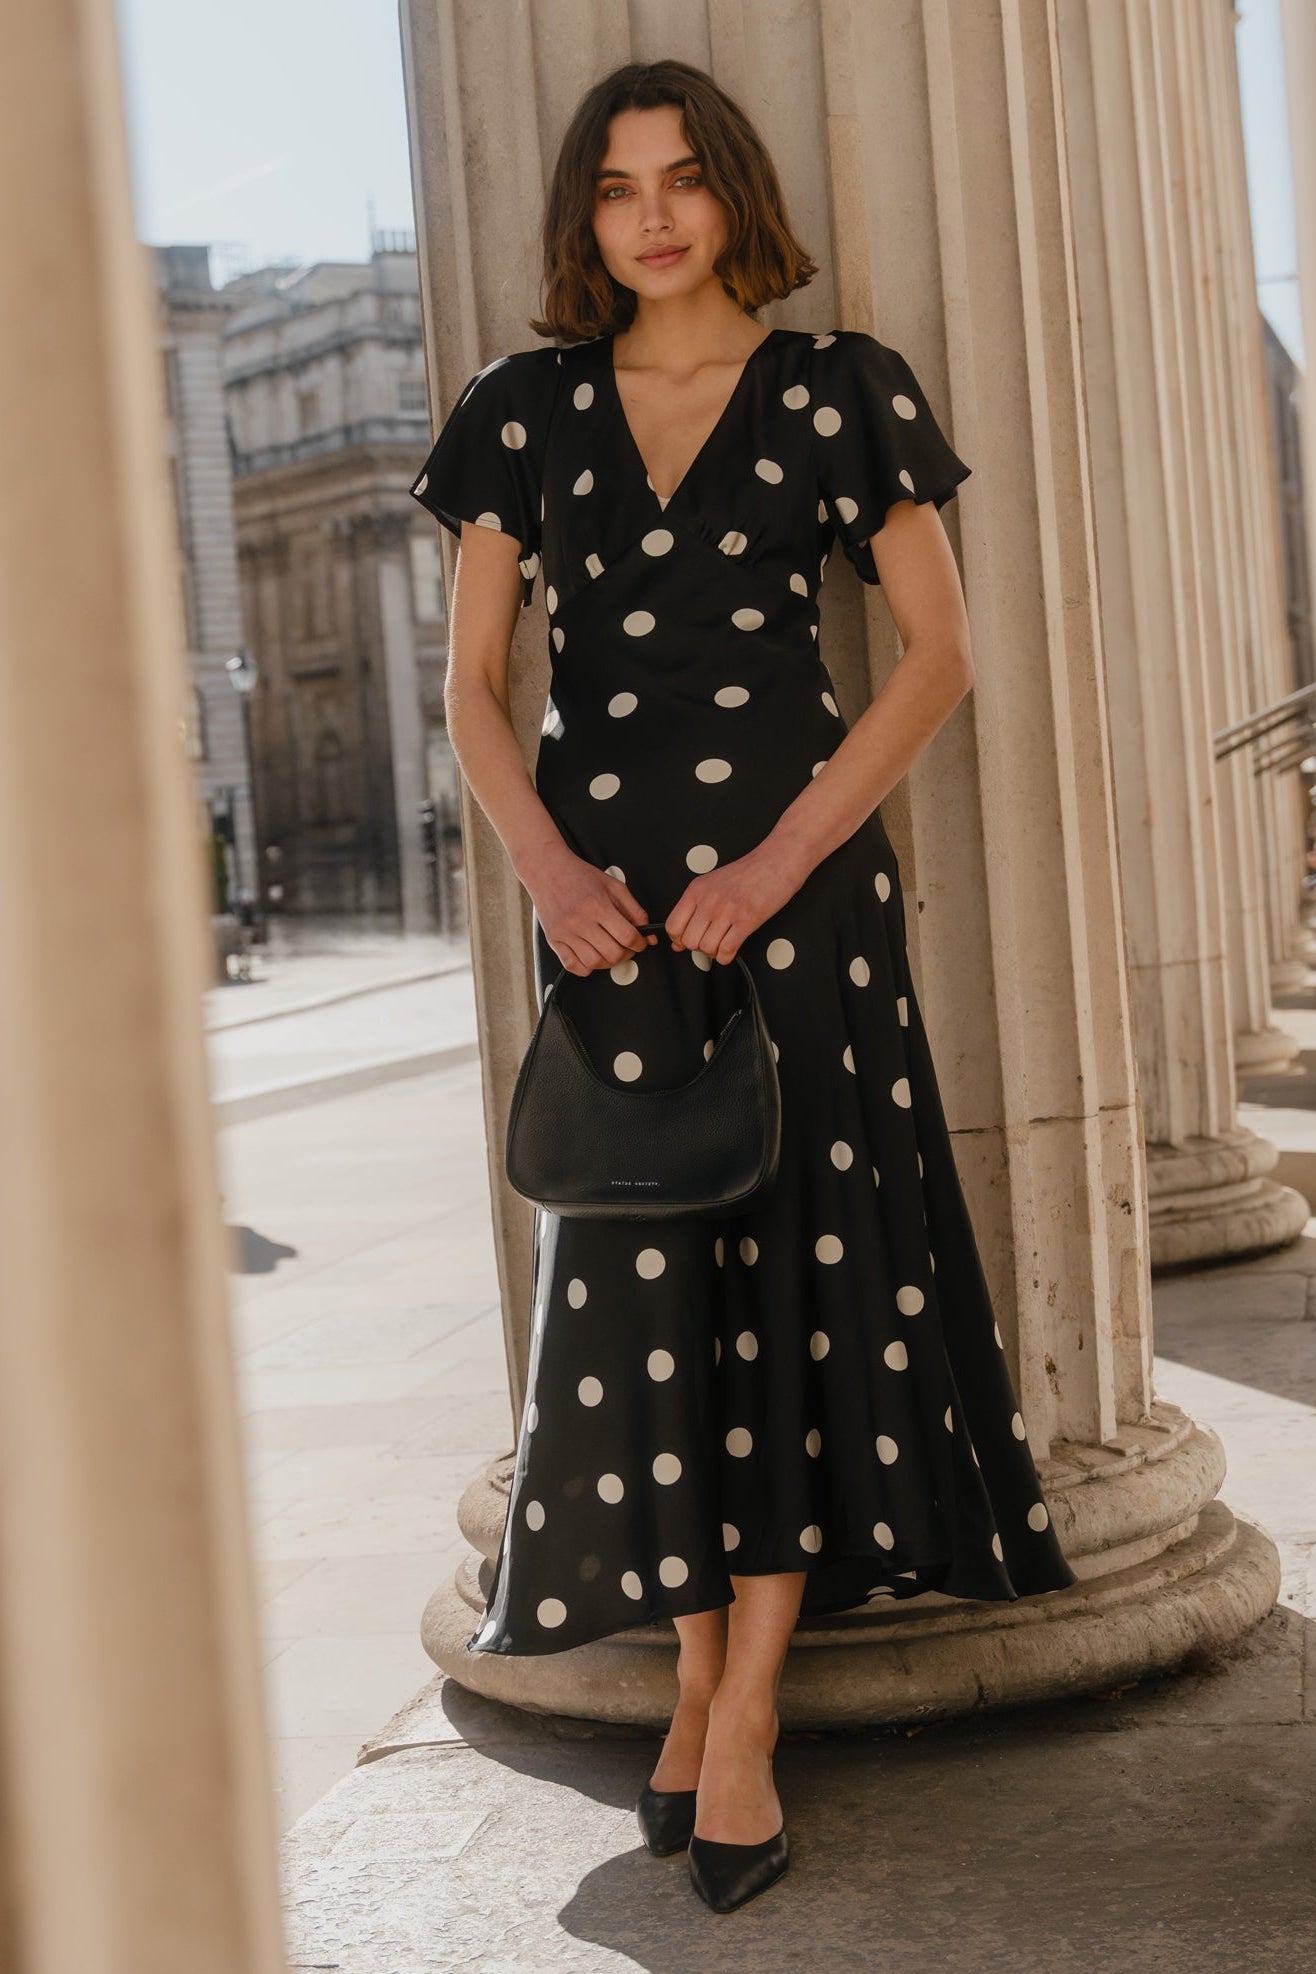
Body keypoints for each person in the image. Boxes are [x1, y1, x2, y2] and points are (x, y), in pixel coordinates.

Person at [409, 56, 1077, 1916]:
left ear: (732, 194)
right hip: (608, 931)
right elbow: (472, 686)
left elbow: (935, 660)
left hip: (799, 919)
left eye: (683, 179)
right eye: (619, 188)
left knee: (798, 1295)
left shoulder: (841, 389)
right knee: (642, 1302)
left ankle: (747, 1709)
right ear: (585, 218)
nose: (654, 216)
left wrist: (781, 861)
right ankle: (695, 1680)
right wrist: (548, 870)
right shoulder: (519, 414)